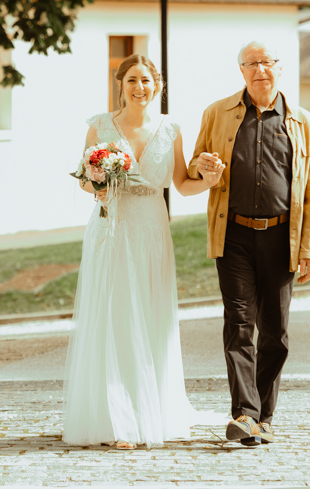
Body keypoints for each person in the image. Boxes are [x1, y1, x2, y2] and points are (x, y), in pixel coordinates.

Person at [62, 54, 226, 450]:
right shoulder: (100, 126)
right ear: (120, 84)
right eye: (132, 79)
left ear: (158, 86)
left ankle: (150, 409)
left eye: (147, 81)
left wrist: (210, 180)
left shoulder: (171, 129)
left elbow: (182, 184)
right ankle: (115, 418)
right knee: (114, 315)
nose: (140, 87)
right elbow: (84, 180)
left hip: (152, 230)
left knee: (150, 316)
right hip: (111, 229)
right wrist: (99, 183)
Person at [188, 41, 310, 447]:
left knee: (276, 333)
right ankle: (244, 414)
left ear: (279, 69)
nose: (260, 70)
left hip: (282, 236)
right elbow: (198, 165)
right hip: (233, 235)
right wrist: (203, 166)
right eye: (252, 64)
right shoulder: (217, 113)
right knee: (239, 323)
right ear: (242, 71)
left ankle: (263, 417)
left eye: (267, 62)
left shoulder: (305, 123)